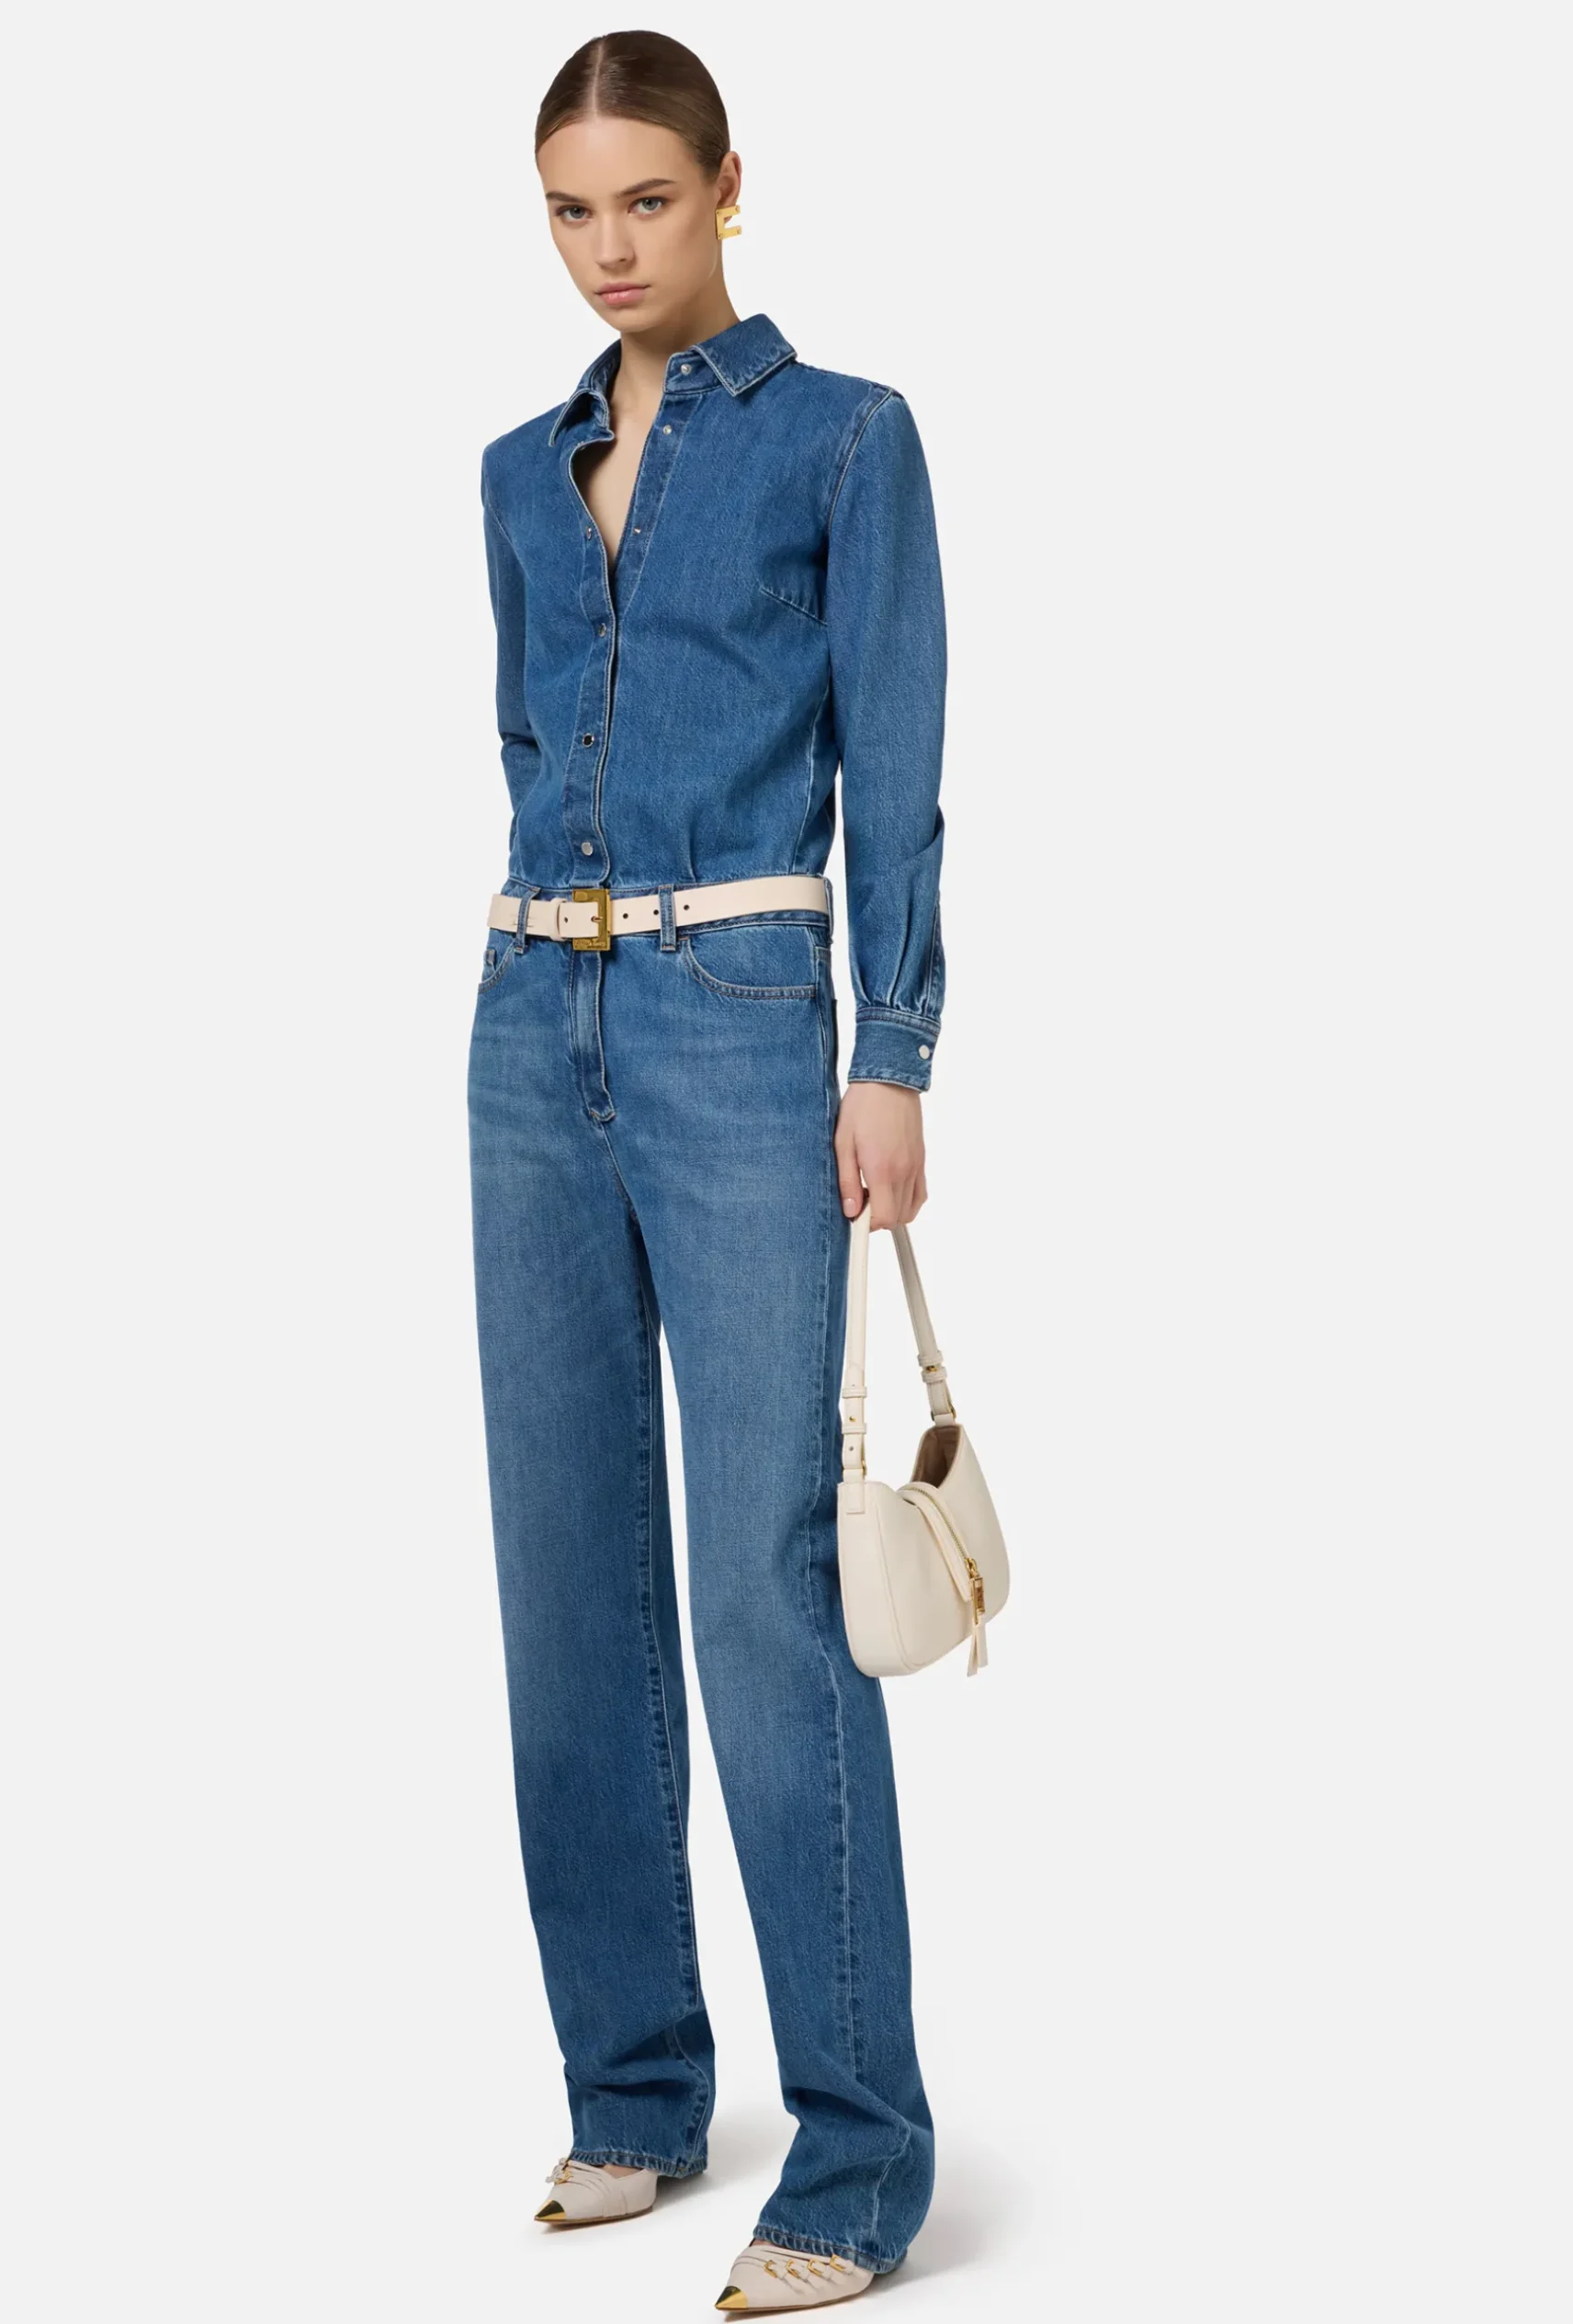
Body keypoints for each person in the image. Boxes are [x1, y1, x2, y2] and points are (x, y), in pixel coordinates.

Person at [467, 30, 949, 2312]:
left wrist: (891, 1047)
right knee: (564, 1569)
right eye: (570, 210)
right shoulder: (513, 469)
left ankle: (854, 2151)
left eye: (643, 199)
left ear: (725, 186)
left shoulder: (842, 438)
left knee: (768, 1585)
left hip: (742, 1017)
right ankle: (634, 2083)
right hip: (521, 1019)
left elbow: (894, 756)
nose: (607, 247)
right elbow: (525, 735)